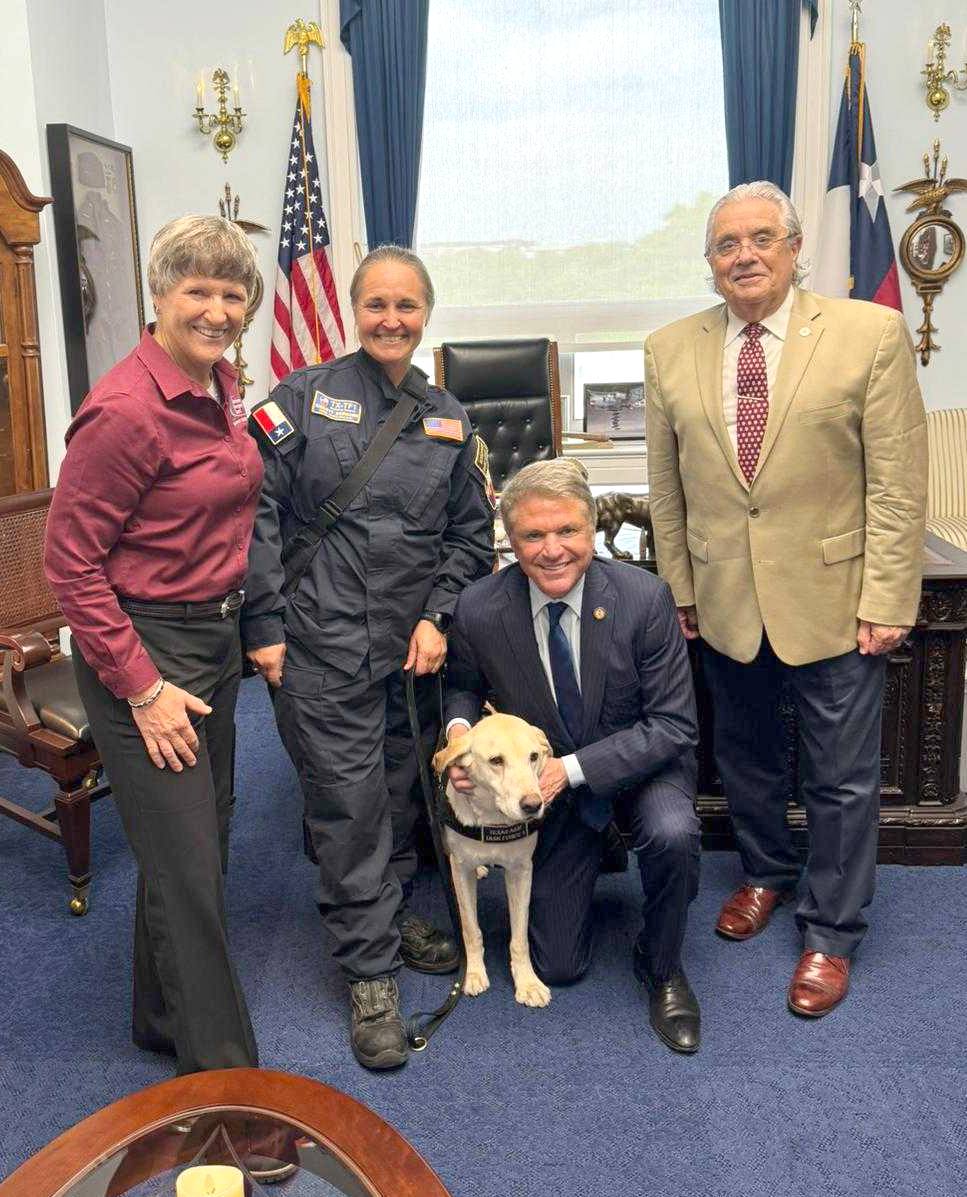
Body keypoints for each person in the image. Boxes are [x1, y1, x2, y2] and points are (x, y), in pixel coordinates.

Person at [645, 180, 928, 1017]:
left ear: (794, 247)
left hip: (837, 599)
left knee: (842, 777)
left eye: (762, 238)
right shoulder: (668, 349)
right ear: (709, 264)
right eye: (726, 245)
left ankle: (831, 931)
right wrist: (680, 590)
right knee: (746, 759)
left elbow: (897, 485)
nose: (744, 255)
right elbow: (667, 491)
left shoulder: (867, 333)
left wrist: (887, 596)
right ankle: (766, 872)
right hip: (726, 598)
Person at [242, 245, 495, 1070]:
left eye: (407, 306)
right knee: (348, 812)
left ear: (426, 314)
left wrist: (437, 616)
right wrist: (265, 624)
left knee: (394, 795)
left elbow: (468, 537)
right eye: (377, 304)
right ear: (355, 311)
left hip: (404, 661)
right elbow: (256, 515)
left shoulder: (447, 417)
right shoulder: (301, 399)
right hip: (318, 648)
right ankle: (369, 973)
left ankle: (382, 917)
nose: (392, 319)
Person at [44, 214, 262, 1073]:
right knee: (191, 874)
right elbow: (70, 565)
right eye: (197, 290)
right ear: (159, 295)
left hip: (214, 640)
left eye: (232, 293)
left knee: (195, 843)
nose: (216, 309)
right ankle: (224, 1084)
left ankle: (156, 1016)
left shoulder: (218, 383)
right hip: (143, 652)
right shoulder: (126, 412)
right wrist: (140, 687)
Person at [443, 458, 702, 1053]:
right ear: (508, 540)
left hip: (639, 769)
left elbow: (671, 725)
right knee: (557, 966)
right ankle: (594, 852)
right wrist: (461, 738)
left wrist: (573, 769)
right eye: (533, 535)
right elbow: (460, 687)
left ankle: (662, 965)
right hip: (543, 791)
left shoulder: (644, 598)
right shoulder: (481, 607)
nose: (552, 549)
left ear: (591, 531)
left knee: (671, 833)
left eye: (568, 531)